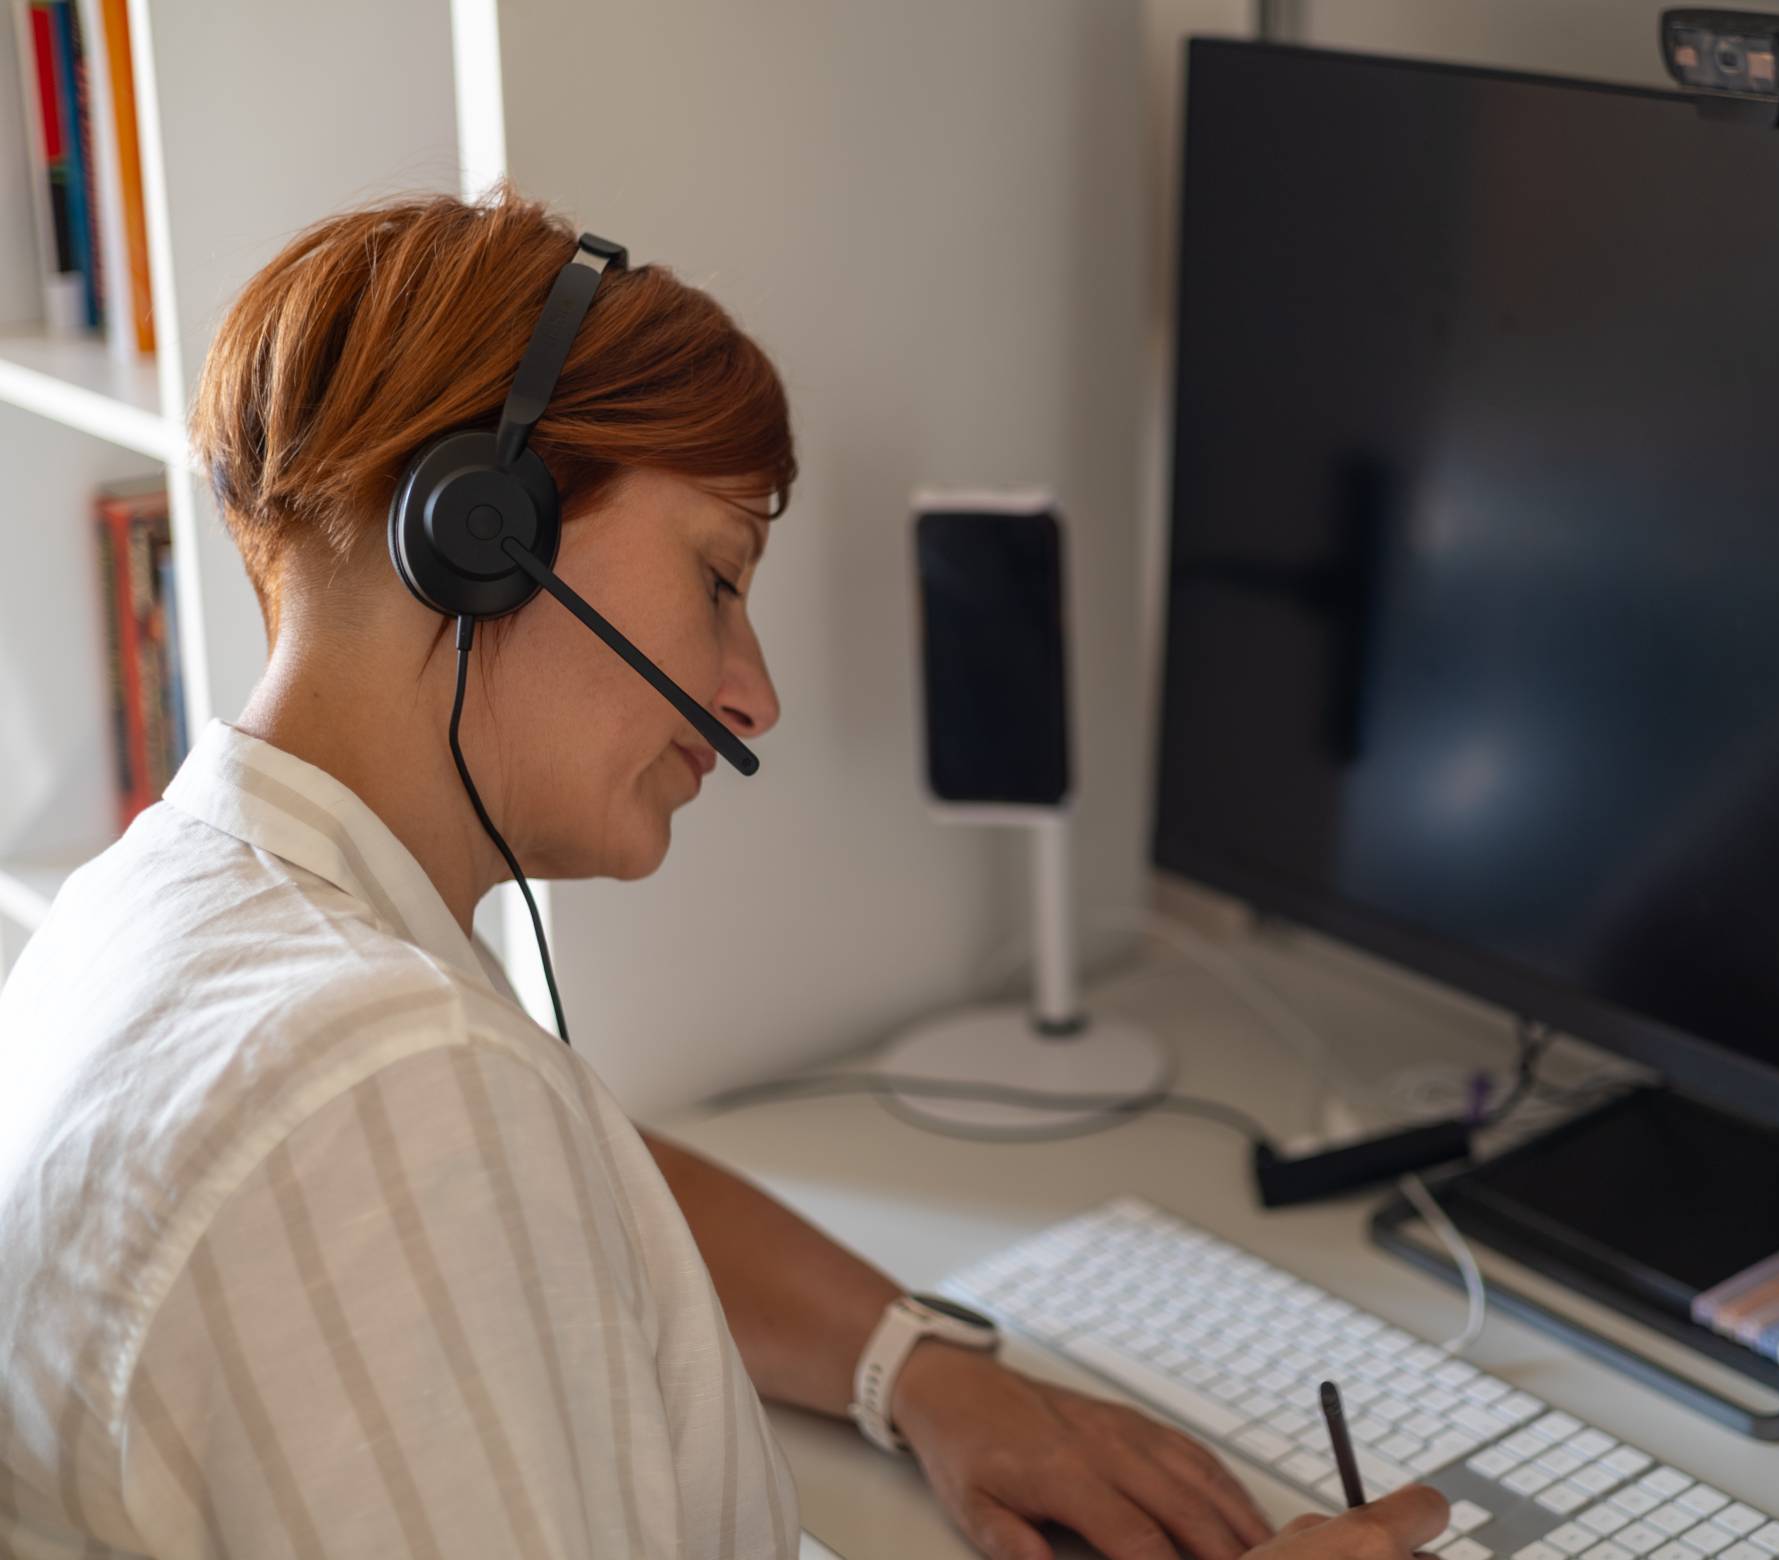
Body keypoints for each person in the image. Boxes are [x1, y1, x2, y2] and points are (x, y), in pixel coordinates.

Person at [0, 187, 1450, 1560]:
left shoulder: (172, 901)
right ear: (481, 539)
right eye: (718, 577)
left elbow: (589, 1182)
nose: (750, 695)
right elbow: (427, 1139)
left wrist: (924, 1372)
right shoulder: (377, 1087)